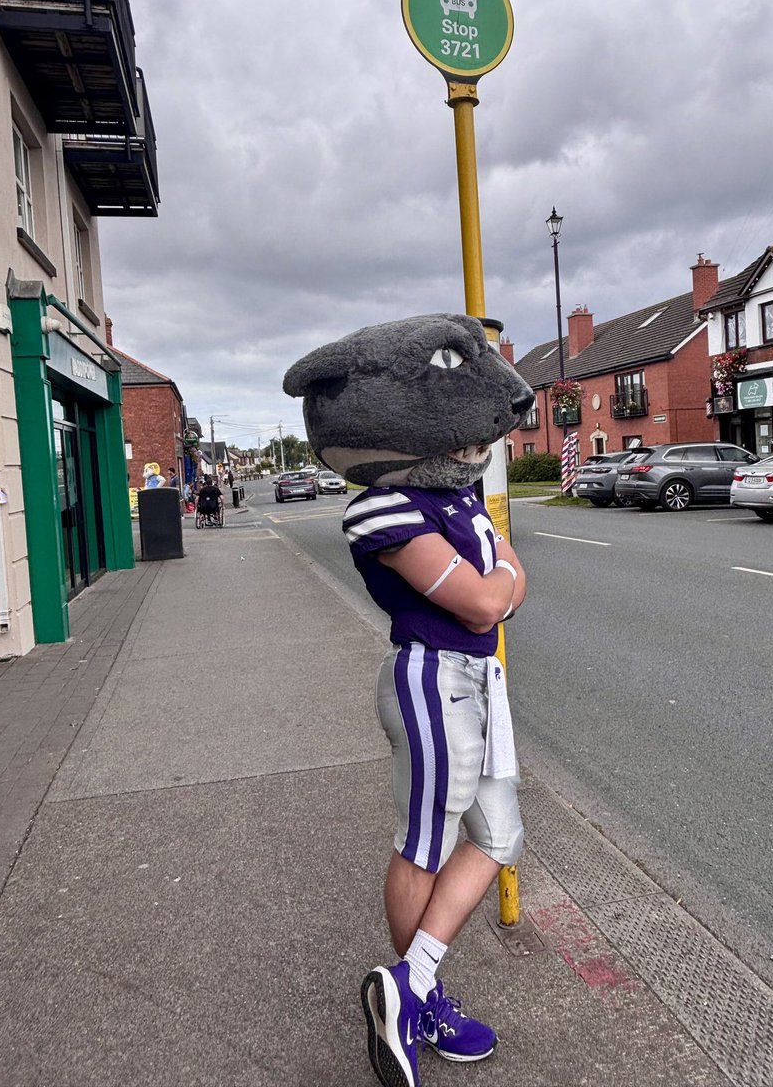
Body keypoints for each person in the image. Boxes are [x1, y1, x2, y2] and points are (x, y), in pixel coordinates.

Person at [283, 313, 534, 1087]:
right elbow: (487, 601)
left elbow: (510, 584)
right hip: (432, 683)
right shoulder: (382, 508)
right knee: (424, 843)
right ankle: (417, 1001)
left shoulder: (458, 497)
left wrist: (499, 587)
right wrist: (499, 587)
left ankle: (408, 986)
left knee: (499, 836)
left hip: (479, 684)